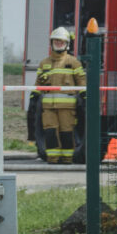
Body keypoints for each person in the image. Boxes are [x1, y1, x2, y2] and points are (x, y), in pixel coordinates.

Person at [35, 27, 84, 164]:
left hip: (67, 108)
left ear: (67, 44)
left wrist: (85, 95)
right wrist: (34, 96)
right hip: (48, 107)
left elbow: (82, 81)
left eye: (61, 42)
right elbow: (38, 83)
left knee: (66, 132)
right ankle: (53, 159)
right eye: (56, 41)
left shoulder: (73, 63)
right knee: (50, 132)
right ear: (51, 43)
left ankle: (67, 159)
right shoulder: (44, 63)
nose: (58, 44)